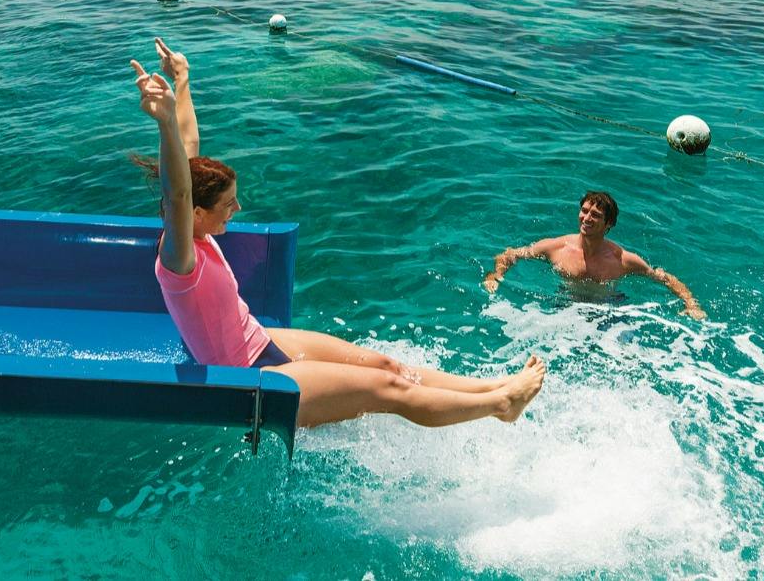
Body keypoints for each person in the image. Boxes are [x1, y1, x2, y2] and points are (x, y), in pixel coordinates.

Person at [131, 37, 545, 429]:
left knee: (386, 366)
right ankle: (501, 406)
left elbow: (189, 150)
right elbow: (177, 190)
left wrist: (181, 80)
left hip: (257, 339)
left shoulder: (200, 234)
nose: (237, 210)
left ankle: (495, 385)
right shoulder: (180, 259)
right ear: (195, 212)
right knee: (391, 389)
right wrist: (163, 123)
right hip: (247, 376)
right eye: (227, 205)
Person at [482, 191, 707, 320]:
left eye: (596, 215)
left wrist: (690, 303)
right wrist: (495, 275)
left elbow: (662, 277)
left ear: (608, 224)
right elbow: (512, 254)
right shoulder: (556, 247)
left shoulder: (622, 260)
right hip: (565, 304)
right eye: (584, 211)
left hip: (609, 308)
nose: (587, 218)